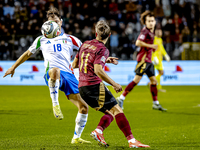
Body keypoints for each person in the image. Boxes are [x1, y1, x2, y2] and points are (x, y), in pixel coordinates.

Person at [3, 7, 91, 144]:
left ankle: (76, 137)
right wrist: (13, 67)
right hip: (52, 74)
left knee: (84, 107)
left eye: (55, 22)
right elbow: (27, 54)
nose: (53, 25)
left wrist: (105, 59)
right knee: (55, 70)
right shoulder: (41, 40)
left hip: (69, 76)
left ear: (60, 22)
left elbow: (87, 51)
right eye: (50, 23)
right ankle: (55, 104)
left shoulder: (71, 39)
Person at [72, 20, 150, 148]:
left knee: (110, 112)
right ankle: (132, 141)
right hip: (94, 86)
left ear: (96, 32)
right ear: (109, 36)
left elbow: (75, 64)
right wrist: (114, 84)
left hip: (82, 87)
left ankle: (98, 131)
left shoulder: (85, 44)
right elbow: (97, 70)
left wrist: (105, 60)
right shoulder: (103, 49)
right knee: (118, 109)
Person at [116, 11, 167, 111]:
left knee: (154, 81)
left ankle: (155, 103)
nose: (151, 23)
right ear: (145, 22)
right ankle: (121, 98)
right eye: (149, 21)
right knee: (136, 80)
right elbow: (138, 42)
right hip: (143, 60)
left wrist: (153, 55)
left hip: (149, 61)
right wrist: (151, 46)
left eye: (152, 21)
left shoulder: (151, 32)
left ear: (155, 22)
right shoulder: (145, 31)